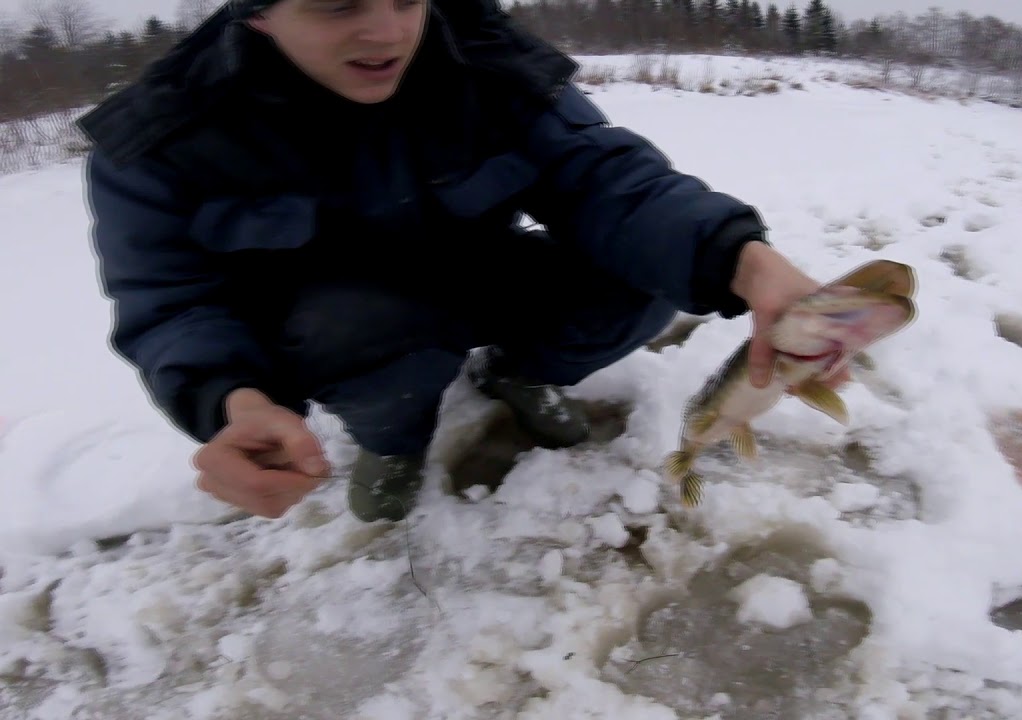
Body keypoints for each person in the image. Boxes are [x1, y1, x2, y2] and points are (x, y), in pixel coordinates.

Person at [78, 0, 840, 523]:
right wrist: (233, 400)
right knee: (355, 329)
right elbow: (171, 301)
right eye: (338, 3)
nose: (386, 31)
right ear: (258, 12)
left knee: (637, 278)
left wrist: (743, 260)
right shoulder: (162, 136)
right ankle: (395, 440)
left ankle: (521, 371)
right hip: (345, 324)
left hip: (483, 270)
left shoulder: (486, 58)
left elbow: (602, 178)